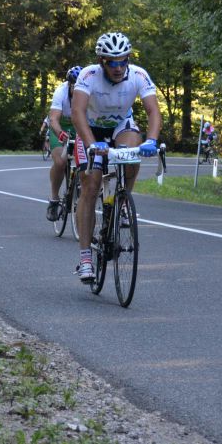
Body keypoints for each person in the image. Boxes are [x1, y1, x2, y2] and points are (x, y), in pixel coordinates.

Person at [71, 33, 162, 283]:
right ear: (102, 61)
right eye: (113, 62)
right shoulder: (88, 75)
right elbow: (77, 112)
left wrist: (152, 140)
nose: (119, 67)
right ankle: (86, 256)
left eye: (123, 61)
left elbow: (153, 110)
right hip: (91, 131)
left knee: (133, 151)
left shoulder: (138, 75)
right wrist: (91, 144)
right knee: (90, 184)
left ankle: (121, 200)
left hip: (120, 126)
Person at [46, 65, 82, 221]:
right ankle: (54, 199)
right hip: (60, 125)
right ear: (69, 84)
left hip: (79, 125)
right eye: (75, 86)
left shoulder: (91, 93)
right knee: (60, 162)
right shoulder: (60, 92)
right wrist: (60, 134)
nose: (78, 89)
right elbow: (53, 119)